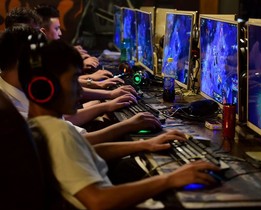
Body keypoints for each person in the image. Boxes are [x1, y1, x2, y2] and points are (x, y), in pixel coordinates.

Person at [18, 36, 220, 210]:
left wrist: (144, 145)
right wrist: (170, 179)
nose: (80, 91)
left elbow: (85, 151)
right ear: (44, 88)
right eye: (73, 80)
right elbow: (98, 201)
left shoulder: (40, 126)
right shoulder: (58, 133)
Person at [0, 24, 162, 145]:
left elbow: (65, 124)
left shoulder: (19, 89)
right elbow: (77, 142)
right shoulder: (9, 109)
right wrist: (128, 127)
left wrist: (105, 105)